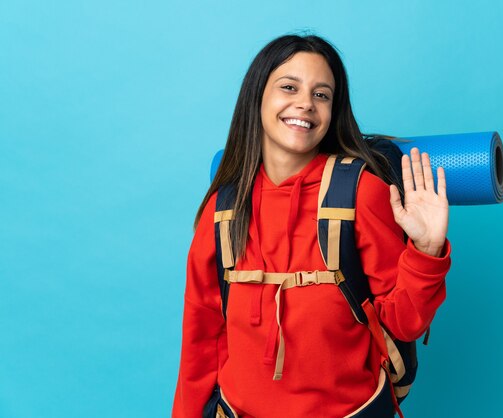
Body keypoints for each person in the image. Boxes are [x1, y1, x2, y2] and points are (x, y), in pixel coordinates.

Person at [172, 34, 452, 418]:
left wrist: (427, 250)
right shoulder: (223, 208)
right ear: (257, 97)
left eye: (322, 95)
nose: (305, 103)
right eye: (289, 87)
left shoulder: (361, 194)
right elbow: (200, 342)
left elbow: (402, 323)